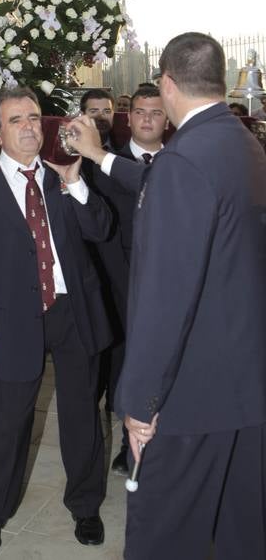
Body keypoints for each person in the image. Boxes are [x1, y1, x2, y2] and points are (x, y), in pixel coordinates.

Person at [68, 33, 266, 560]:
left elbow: (164, 299)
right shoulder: (242, 143)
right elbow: (171, 184)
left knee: (165, 534)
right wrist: (100, 157)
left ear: (168, 84)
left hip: (193, 395)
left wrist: (139, 403)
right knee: (238, 529)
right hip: (246, 383)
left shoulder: (184, 160)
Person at [0, 86, 112, 555]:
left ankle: (85, 505)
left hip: (71, 311)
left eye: (33, 117)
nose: (28, 126)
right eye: (16, 119)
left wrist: (76, 183)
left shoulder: (62, 175)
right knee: (10, 420)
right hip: (15, 316)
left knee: (82, 413)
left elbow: (101, 229)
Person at [89, 85, 168, 475]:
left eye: (156, 112)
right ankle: (126, 444)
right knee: (126, 369)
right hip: (122, 288)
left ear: (166, 117)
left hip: (170, 293)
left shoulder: (180, 167)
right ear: (129, 117)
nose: (148, 119)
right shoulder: (107, 168)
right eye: (140, 112)